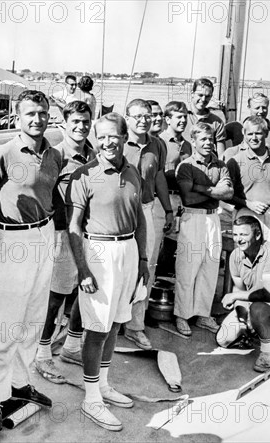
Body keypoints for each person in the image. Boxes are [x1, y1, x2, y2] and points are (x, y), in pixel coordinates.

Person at [0, 90, 61, 433]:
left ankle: (20, 383)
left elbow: (53, 193)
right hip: (14, 240)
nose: (37, 119)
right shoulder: (2, 154)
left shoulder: (55, 154)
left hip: (45, 235)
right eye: (30, 114)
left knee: (32, 319)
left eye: (42, 113)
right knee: (5, 323)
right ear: (17, 117)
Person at [67, 112, 149, 431]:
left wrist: (142, 262)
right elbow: (73, 226)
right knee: (97, 328)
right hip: (99, 252)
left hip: (127, 250)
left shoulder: (132, 172)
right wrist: (83, 269)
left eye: (113, 135)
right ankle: (91, 399)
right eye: (101, 137)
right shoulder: (85, 175)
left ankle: (102, 384)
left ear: (124, 136)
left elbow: (139, 220)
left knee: (115, 323)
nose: (107, 142)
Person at [34, 101, 95, 383]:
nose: (81, 126)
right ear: (64, 123)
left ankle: (71, 345)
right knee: (55, 296)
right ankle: (42, 353)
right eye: (75, 121)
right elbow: (41, 196)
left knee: (86, 291)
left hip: (89, 233)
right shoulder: (55, 156)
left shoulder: (93, 154)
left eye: (86, 121)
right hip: (62, 233)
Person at [218, 216, 270, 372]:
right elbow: (240, 291)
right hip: (255, 302)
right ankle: (260, 328)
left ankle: (267, 350)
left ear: (257, 235)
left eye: (243, 235)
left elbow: (269, 295)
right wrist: (243, 318)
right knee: (223, 339)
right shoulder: (235, 256)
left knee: (258, 310)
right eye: (235, 235)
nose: (238, 240)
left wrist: (235, 297)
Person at [122, 99, 174, 350]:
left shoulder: (158, 144)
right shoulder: (118, 143)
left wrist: (168, 209)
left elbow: (160, 177)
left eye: (148, 116)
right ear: (127, 118)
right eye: (138, 116)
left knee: (146, 268)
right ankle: (110, 323)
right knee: (117, 267)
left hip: (147, 209)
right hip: (119, 213)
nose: (143, 120)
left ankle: (135, 326)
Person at [174, 123, 233, 336]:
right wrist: (213, 190)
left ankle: (202, 314)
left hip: (213, 219)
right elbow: (188, 197)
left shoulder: (220, 165)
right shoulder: (186, 166)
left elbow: (227, 193)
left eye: (210, 139)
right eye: (203, 140)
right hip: (193, 218)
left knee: (210, 267)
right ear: (194, 142)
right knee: (188, 268)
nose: (208, 143)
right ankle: (182, 315)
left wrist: (200, 188)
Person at [225, 116, 270, 245]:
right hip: (245, 214)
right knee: (245, 258)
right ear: (244, 134)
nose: (254, 138)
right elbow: (226, 195)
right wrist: (248, 203)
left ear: (266, 133)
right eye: (250, 134)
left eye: (258, 133)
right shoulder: (235, 161)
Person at [160, 101, 193, 211]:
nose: (183, 121)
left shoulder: (188, 145)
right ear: (168, 120)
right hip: (164, 200)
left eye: (185, 117)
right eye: (179, 117)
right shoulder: (159, 142)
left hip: (183, 201)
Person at [183, 78, 226, 157]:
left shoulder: (216, 122)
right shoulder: (181, 116)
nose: (203, 99)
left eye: (207, 96)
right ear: (192, 94)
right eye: (200, 95)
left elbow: (221, 155)